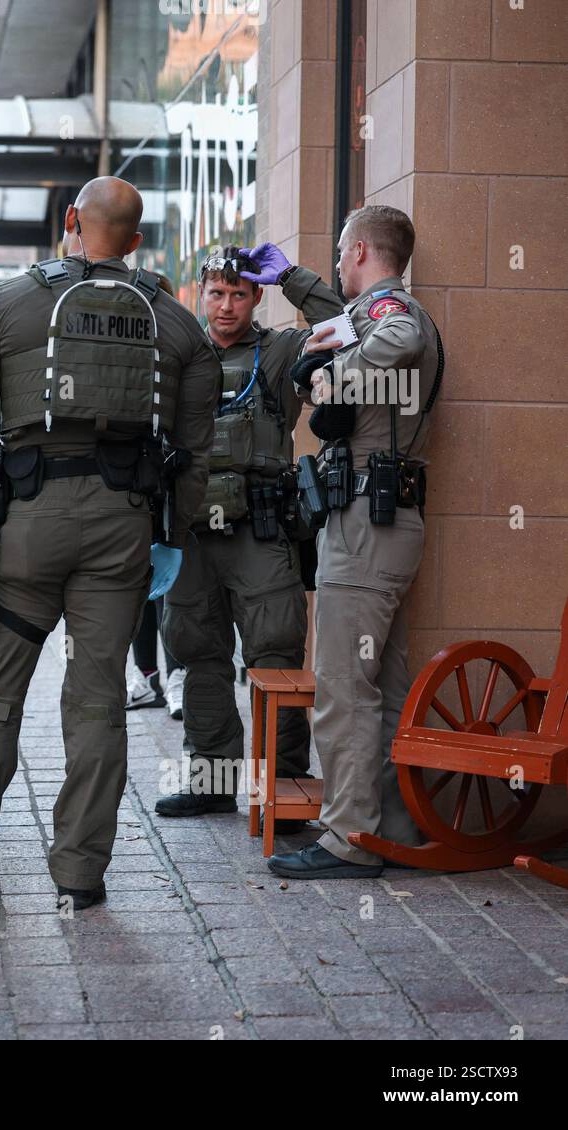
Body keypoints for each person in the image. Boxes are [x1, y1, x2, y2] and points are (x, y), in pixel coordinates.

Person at [0, 176, 220, 908]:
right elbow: (196, 452)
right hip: (123, 523)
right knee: (97, 698)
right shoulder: (175, 322)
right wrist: (173, 532)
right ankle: (81, 873)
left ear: (71, 221)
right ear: (135, 242)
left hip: (28, 524)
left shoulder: (7, 304)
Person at [268, 206, 441, 879]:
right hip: (377, 516)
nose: (338, 265)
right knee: (384, 687)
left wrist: (325, 378)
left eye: (341, 253)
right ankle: (394, 827)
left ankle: (347, 836)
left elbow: (399, 335)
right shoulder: (372, 310)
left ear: (362, 249)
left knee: (343, 683)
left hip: (370, 520)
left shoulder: (390, 308)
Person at [156, 243, 342, 829]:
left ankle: (285, 787)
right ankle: (213, 781)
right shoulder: (178, 355)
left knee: (275, 654)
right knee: (198, 654)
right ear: (199, 296)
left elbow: (341, 323)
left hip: (259, 531)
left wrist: (290, 276)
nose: (227, 305)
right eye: (217, 293)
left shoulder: (282, 350)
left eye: (239, 293)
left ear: (255, 296)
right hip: (189, 534)